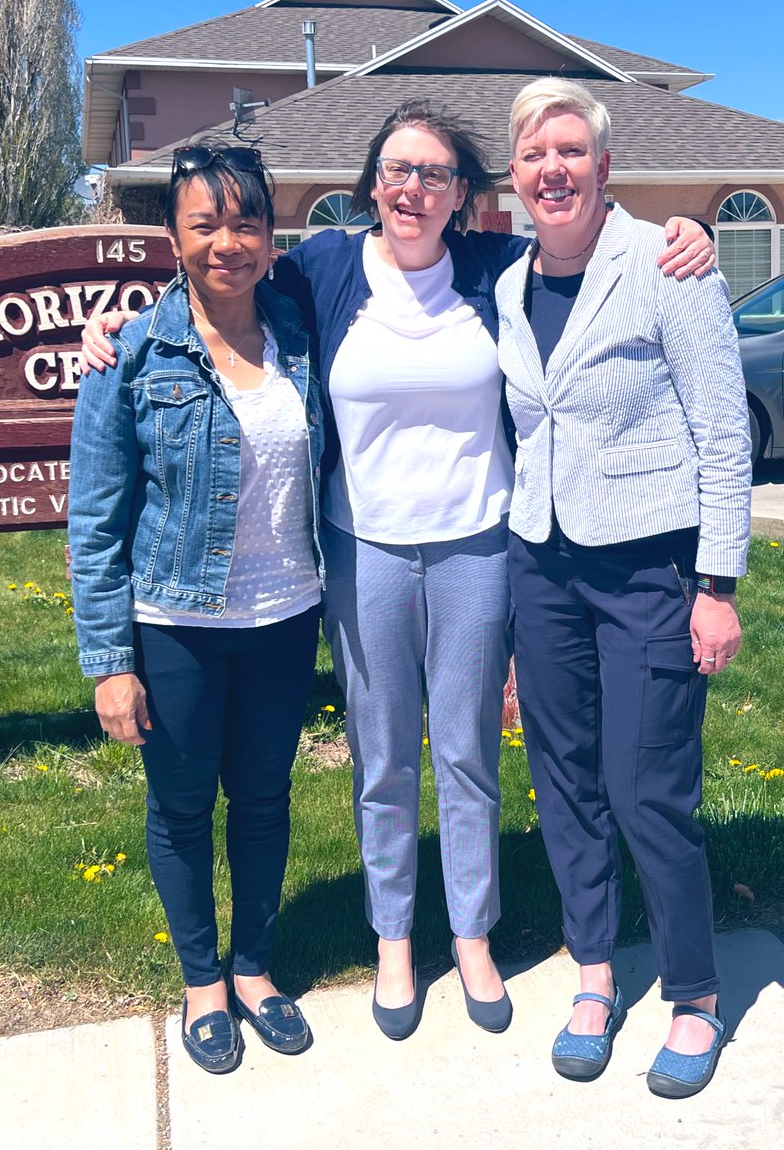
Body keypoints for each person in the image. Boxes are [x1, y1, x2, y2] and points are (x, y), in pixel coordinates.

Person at [79, 100, 714, 1041]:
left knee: (465, 755)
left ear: (461, 194)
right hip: (360, 549)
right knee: (382, 763)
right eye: (394, 170)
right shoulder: (323, 268)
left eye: (432, 173)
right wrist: (117, 333)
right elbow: (218, 286)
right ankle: (391, 943)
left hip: (478, 546)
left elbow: (584, 239)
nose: (410, 188)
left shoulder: (499, 266)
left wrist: (689, 228)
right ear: (369, 183)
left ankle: (470, 936)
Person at [496, 78, 751, 1097]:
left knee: (646, 787)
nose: (550, 170)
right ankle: (594, 972)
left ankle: (693, 995)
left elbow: (721, 428)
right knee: (562, 779)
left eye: (569, 151)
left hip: (649, 566)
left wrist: (716, 582)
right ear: (512, 177)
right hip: (541, 567)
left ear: (603, 166)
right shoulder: (507, 283)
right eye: (532, 155)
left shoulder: (664, 263)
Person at [67, 143, 323, 1075]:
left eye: (245, 221)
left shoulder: (301, 333)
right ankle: (202, 982)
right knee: (181, 809)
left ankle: (254, 969)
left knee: (261, 800)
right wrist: (109, 661)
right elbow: (95, 522)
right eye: (205, 223)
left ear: (269, 233)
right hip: (174, 625)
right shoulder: (129, 354)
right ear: (173, 238)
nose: (228, 242)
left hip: (285, 616)